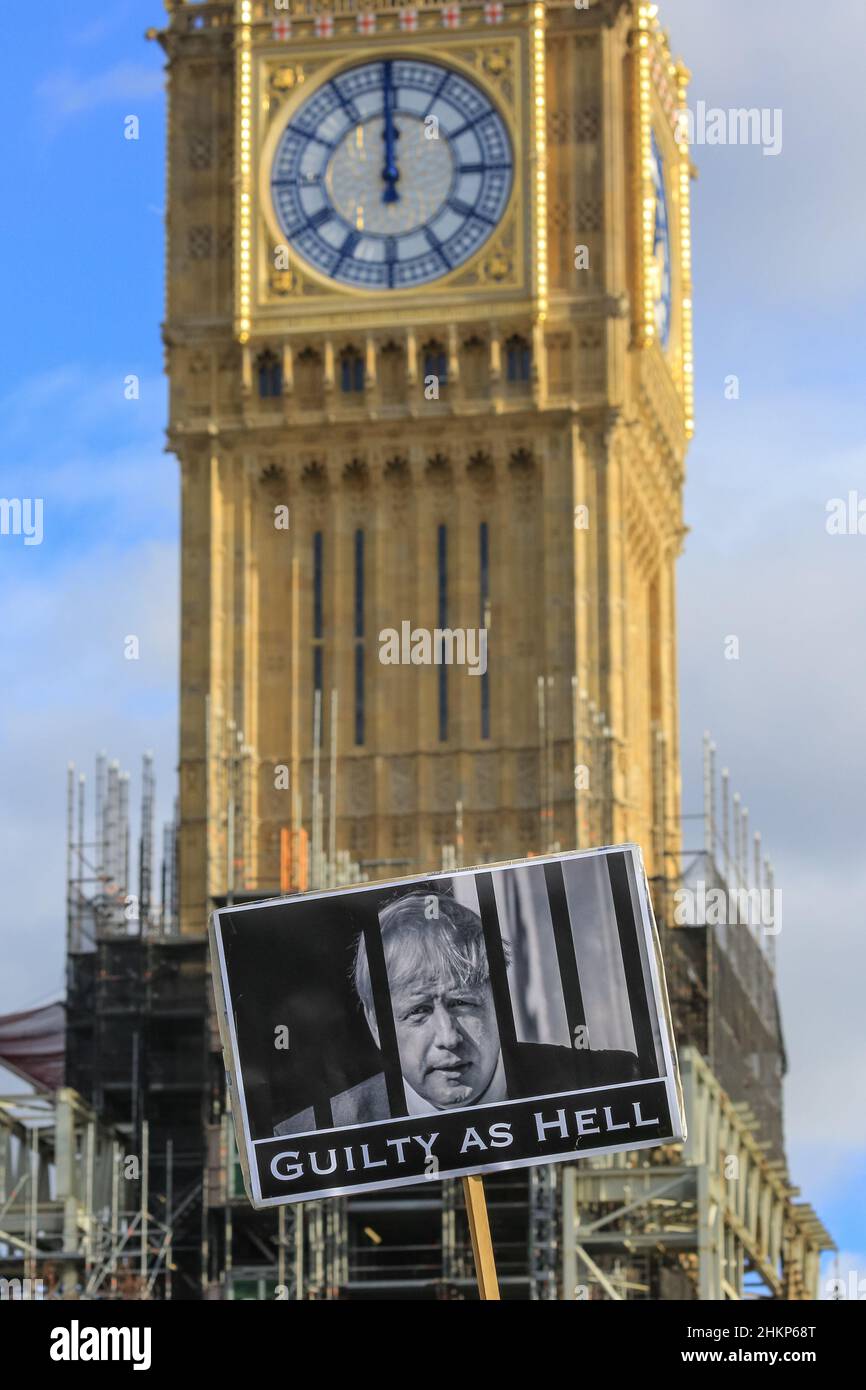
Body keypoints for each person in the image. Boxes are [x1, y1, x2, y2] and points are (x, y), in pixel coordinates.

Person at [274, 890, 639, 1135]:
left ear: (499, 1000)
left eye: (462, 1003)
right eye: (418, 1011)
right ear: (376, 1026)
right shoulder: (317, 1133)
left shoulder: (614, 1083)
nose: (448, 1037)